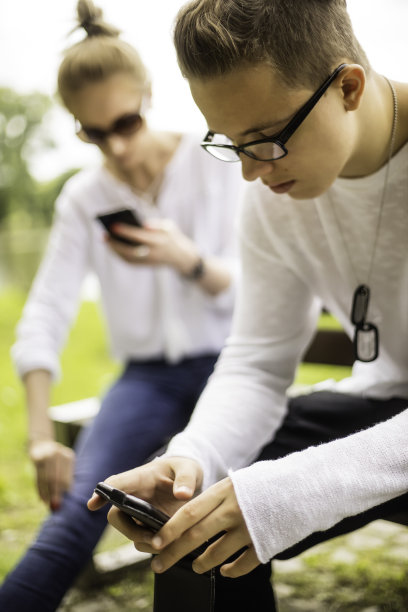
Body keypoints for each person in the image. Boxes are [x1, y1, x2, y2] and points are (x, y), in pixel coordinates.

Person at [88, 0, 408, 608]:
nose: (249, 173)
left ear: (348, 86)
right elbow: (258, 360)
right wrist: (194, 455)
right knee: (191, 506)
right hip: (388, 406)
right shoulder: (272, 192)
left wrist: (287, 494)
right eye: (230, 143)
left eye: (264, 140)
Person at [0, 1, 244, 610]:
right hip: (146, 381)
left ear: (150, 95)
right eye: (94, 132)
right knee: (79, 514)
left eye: (126, 123)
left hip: (234, 369)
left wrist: (188, 260)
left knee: (232, 529)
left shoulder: (217, 161)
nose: (115, 147)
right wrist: (38, 438)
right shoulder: (85, 197)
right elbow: (46, 312)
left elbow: (267, 294)